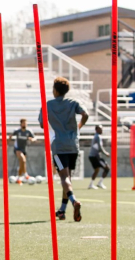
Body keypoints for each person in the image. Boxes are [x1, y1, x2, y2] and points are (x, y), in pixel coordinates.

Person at [39, 77, 88, 222]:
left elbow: (42, 124)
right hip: (73, 145)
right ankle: (62, 210)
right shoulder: (73, 103)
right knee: (68, 178)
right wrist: (78, 127)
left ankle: (74, 201)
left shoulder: (47, 104)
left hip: (59, 147)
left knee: (64, 177)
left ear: (55, 90)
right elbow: (85, 114)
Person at [12, 118, 36, 185]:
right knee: (23, 160)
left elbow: (34, 138)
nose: (25, 124)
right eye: (23, 123)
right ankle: (26, 175)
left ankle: (19, 178)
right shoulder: (17, 131)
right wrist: (9, 138)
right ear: (21, 124)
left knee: (22, 163)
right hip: (17, 149)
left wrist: (32, 139)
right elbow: (10, 136)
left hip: (24, 149)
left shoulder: (28, 131)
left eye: (26, 123)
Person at [88, 125, 110, 189]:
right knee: (107, 168)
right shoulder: (98, 136)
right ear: (97, 130)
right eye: (100, 129)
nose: (102, 130)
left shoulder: (95, 136)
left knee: (97, 170)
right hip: (95, 157)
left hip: (92, 156)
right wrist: (106, 153)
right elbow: (100, 147)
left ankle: (91, 184)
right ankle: (100, 183)